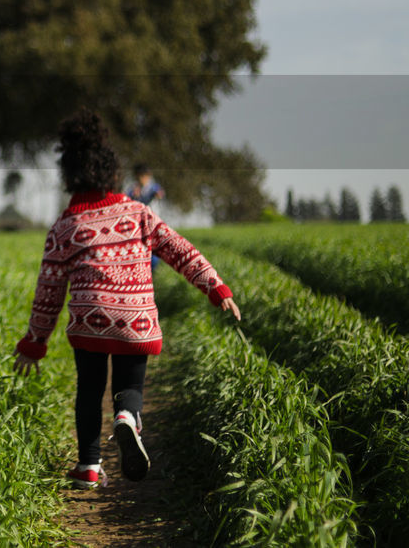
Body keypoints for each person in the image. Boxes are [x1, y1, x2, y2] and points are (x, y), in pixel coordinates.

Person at [13, 110, 241, 489]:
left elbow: (48, 292)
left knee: (88, 390)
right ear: (112, 173)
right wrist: (215, 288)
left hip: (89, 320)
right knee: (130, 387)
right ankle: (126, 417)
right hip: (134, 318)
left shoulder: (65, 227)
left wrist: (35, 343)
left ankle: (88, 466)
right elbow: (179, 250)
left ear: (69, 177)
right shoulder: (138, 213)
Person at [125, 164, 165, 271]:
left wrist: (157, 194)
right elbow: (126, 199)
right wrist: (133, 196)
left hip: (153, 221)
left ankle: (153, 269)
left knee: (154, 248)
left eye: (144, 176)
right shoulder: (133, 188)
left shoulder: (153, 187)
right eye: (140, 176)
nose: (142, 179)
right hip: (139, 223)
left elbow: (160, 193)